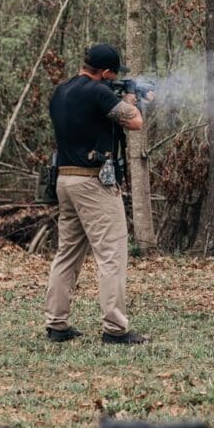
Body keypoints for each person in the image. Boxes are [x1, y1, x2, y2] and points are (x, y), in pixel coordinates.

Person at [42, 43, 148, 344]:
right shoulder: (98, 92)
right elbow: (135, 122)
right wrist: (130, 98)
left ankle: (57, 324)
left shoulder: (61, 91)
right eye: (113, 74)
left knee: (67, 253)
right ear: (104, 72)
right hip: (93, 182)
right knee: (112, 254)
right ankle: (115, 329)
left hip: (64, 179)